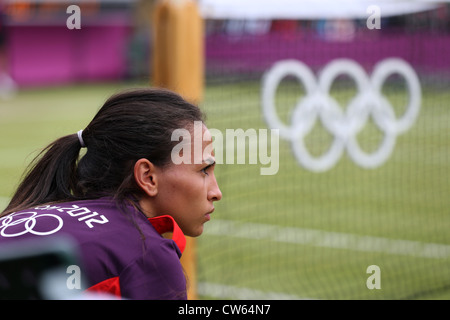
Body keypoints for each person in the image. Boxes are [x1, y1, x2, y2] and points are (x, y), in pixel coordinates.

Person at [0, 88, 222, 299]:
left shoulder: (31, 212)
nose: (216, 192)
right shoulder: (147, 255)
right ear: (147, 177)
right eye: (203, 170)